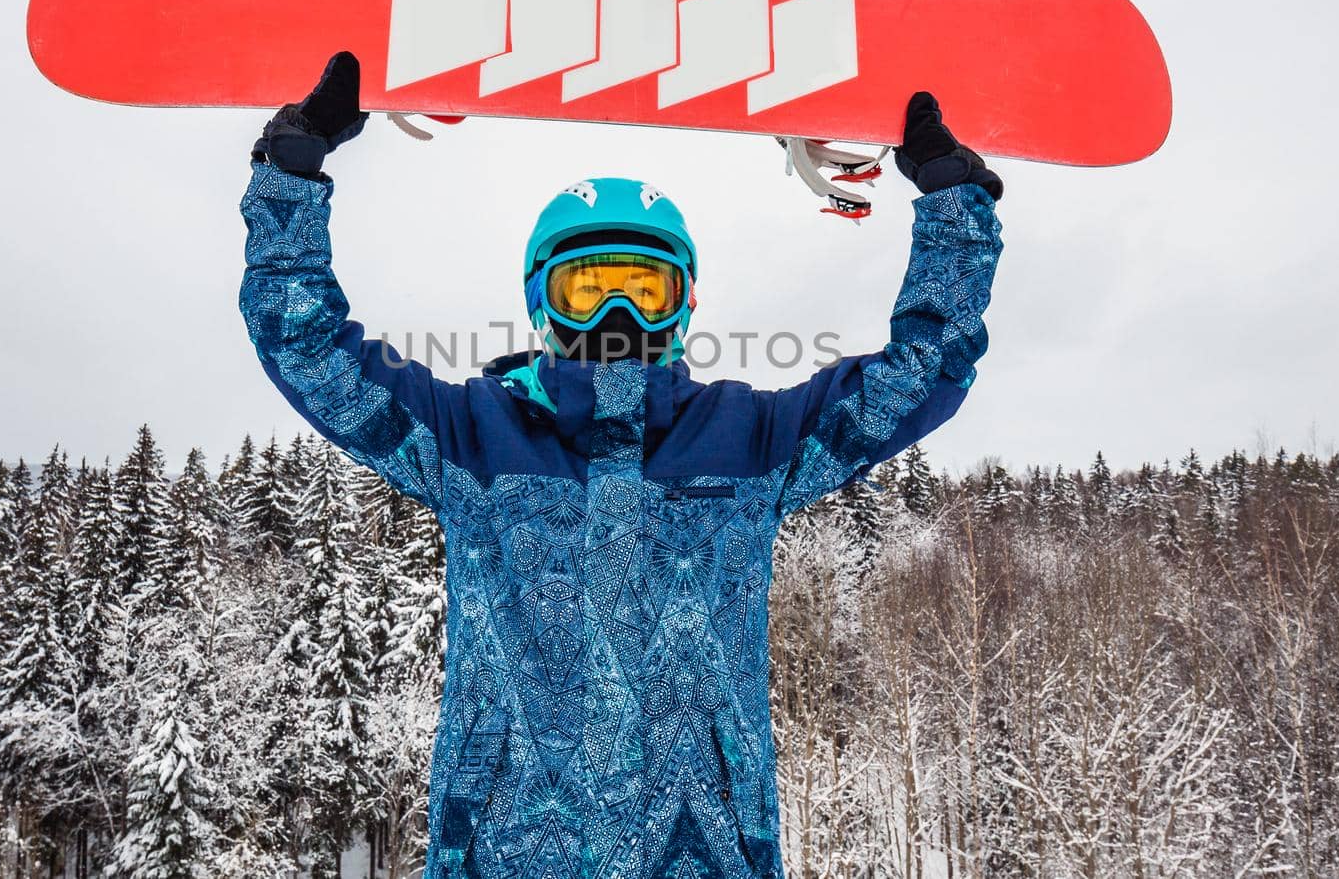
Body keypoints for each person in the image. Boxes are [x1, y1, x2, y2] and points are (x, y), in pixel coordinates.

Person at [239, 51, 1003, 879]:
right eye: (585, 289)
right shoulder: (471, 436)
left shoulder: (749, 439)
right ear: (541, 302)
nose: (614, 314)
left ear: (683, 303)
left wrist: (952, 207)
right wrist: (293, 173)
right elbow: (307, 346)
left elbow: (922, 374)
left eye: (643, 288)